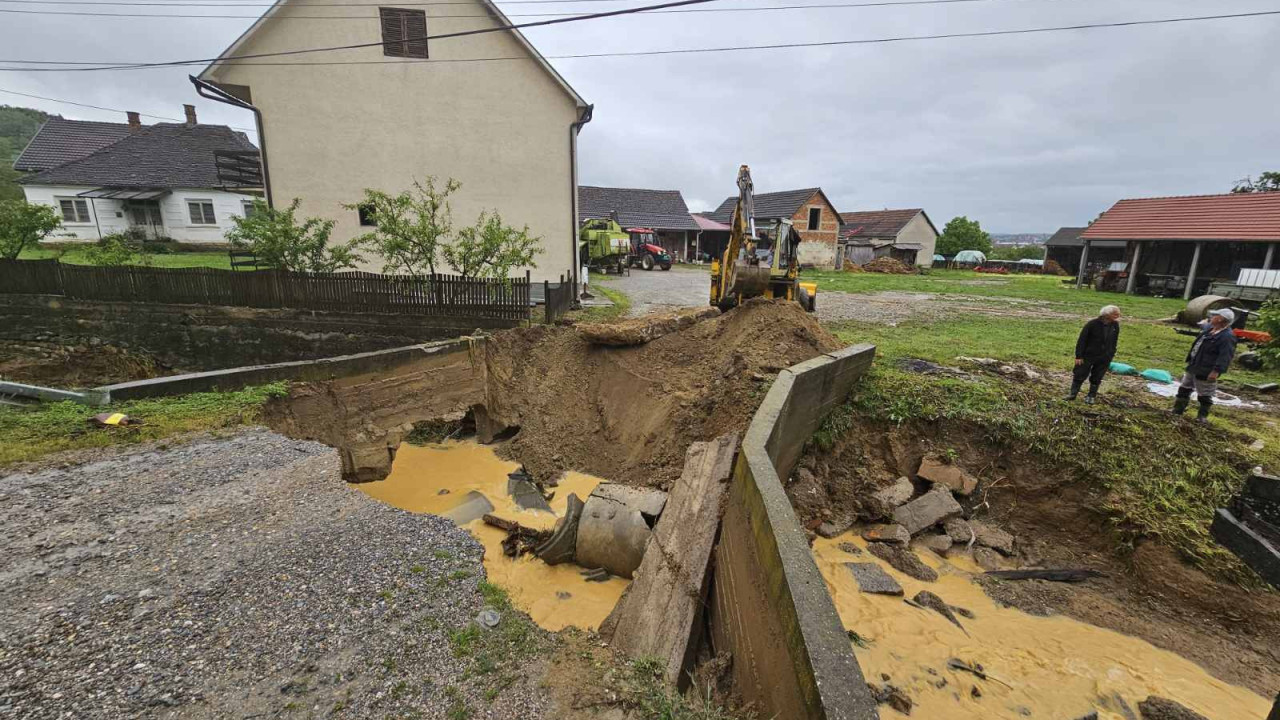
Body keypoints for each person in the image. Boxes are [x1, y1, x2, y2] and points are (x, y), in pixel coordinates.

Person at [1173, 308, 1238, 422]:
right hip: (1194, 364)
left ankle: (1202, 417)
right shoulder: (1211, 330)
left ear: (1220, 319)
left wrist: (1216, 371)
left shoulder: (1227, 337)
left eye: (1214, 316)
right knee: (1184, 388)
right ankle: (1177, 411)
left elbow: (1225, 356)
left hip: (1206, 369)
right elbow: (1205, 326)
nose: (1211, 318)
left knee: (1205, 394)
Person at [1068, 305, 1122, 404]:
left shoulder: (1115, 325)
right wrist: (1079, 355)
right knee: (1080, 373)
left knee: (1097, 376)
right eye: (1115, 314)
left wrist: (1111, 353)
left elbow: (1114, 340)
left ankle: (1091, 396)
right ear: (1107, 314)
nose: (1118, 315)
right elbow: (1082, 340)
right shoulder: (1092, 324)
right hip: (1088, 355)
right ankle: (1073, 394)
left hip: (1105, 356)